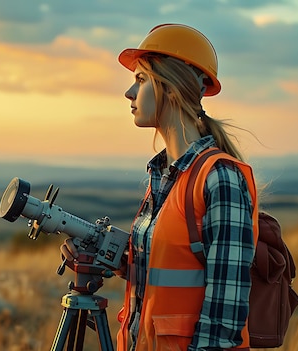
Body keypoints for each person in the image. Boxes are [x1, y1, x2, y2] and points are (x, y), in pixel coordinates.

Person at [60, 23, 260, 351]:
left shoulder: (219, 179)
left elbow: (224, 322)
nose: (128, 93)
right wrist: (105, 257)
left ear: (171, 88)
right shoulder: (164, 176)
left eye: (140, 80)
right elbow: (170, 271)